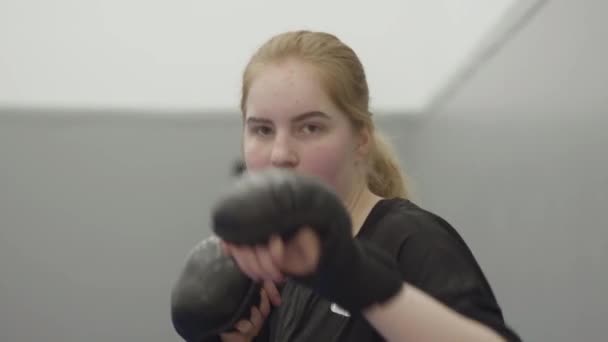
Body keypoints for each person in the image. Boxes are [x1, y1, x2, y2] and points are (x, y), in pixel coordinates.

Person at [217, 30, 520, 342]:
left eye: (310, 127)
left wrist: (353, 276)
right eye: (263, 129)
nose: (280, 154)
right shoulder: (295, 263)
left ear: (361, 140)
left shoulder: (412, 241)